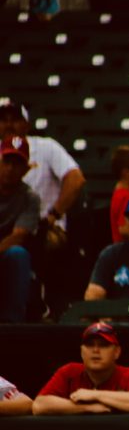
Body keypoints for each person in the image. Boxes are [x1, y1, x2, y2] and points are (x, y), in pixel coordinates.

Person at [0, 101, 85, 317]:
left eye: (15, 120)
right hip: (7, 229)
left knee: (33, 244)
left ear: (27, 124)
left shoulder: (46, 147)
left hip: (43, 225)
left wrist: (53, 215)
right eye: (3, 120)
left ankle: (39, 304)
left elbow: (75, 179)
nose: (9, 125)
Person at [0, 135, 38, 323]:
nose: (10, 169)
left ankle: (12, 322)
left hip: (5, 255)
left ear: (25, 169)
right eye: (7, 162)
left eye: (16, 164)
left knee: (18, 254)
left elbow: (18, 236)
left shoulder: (30, 197)